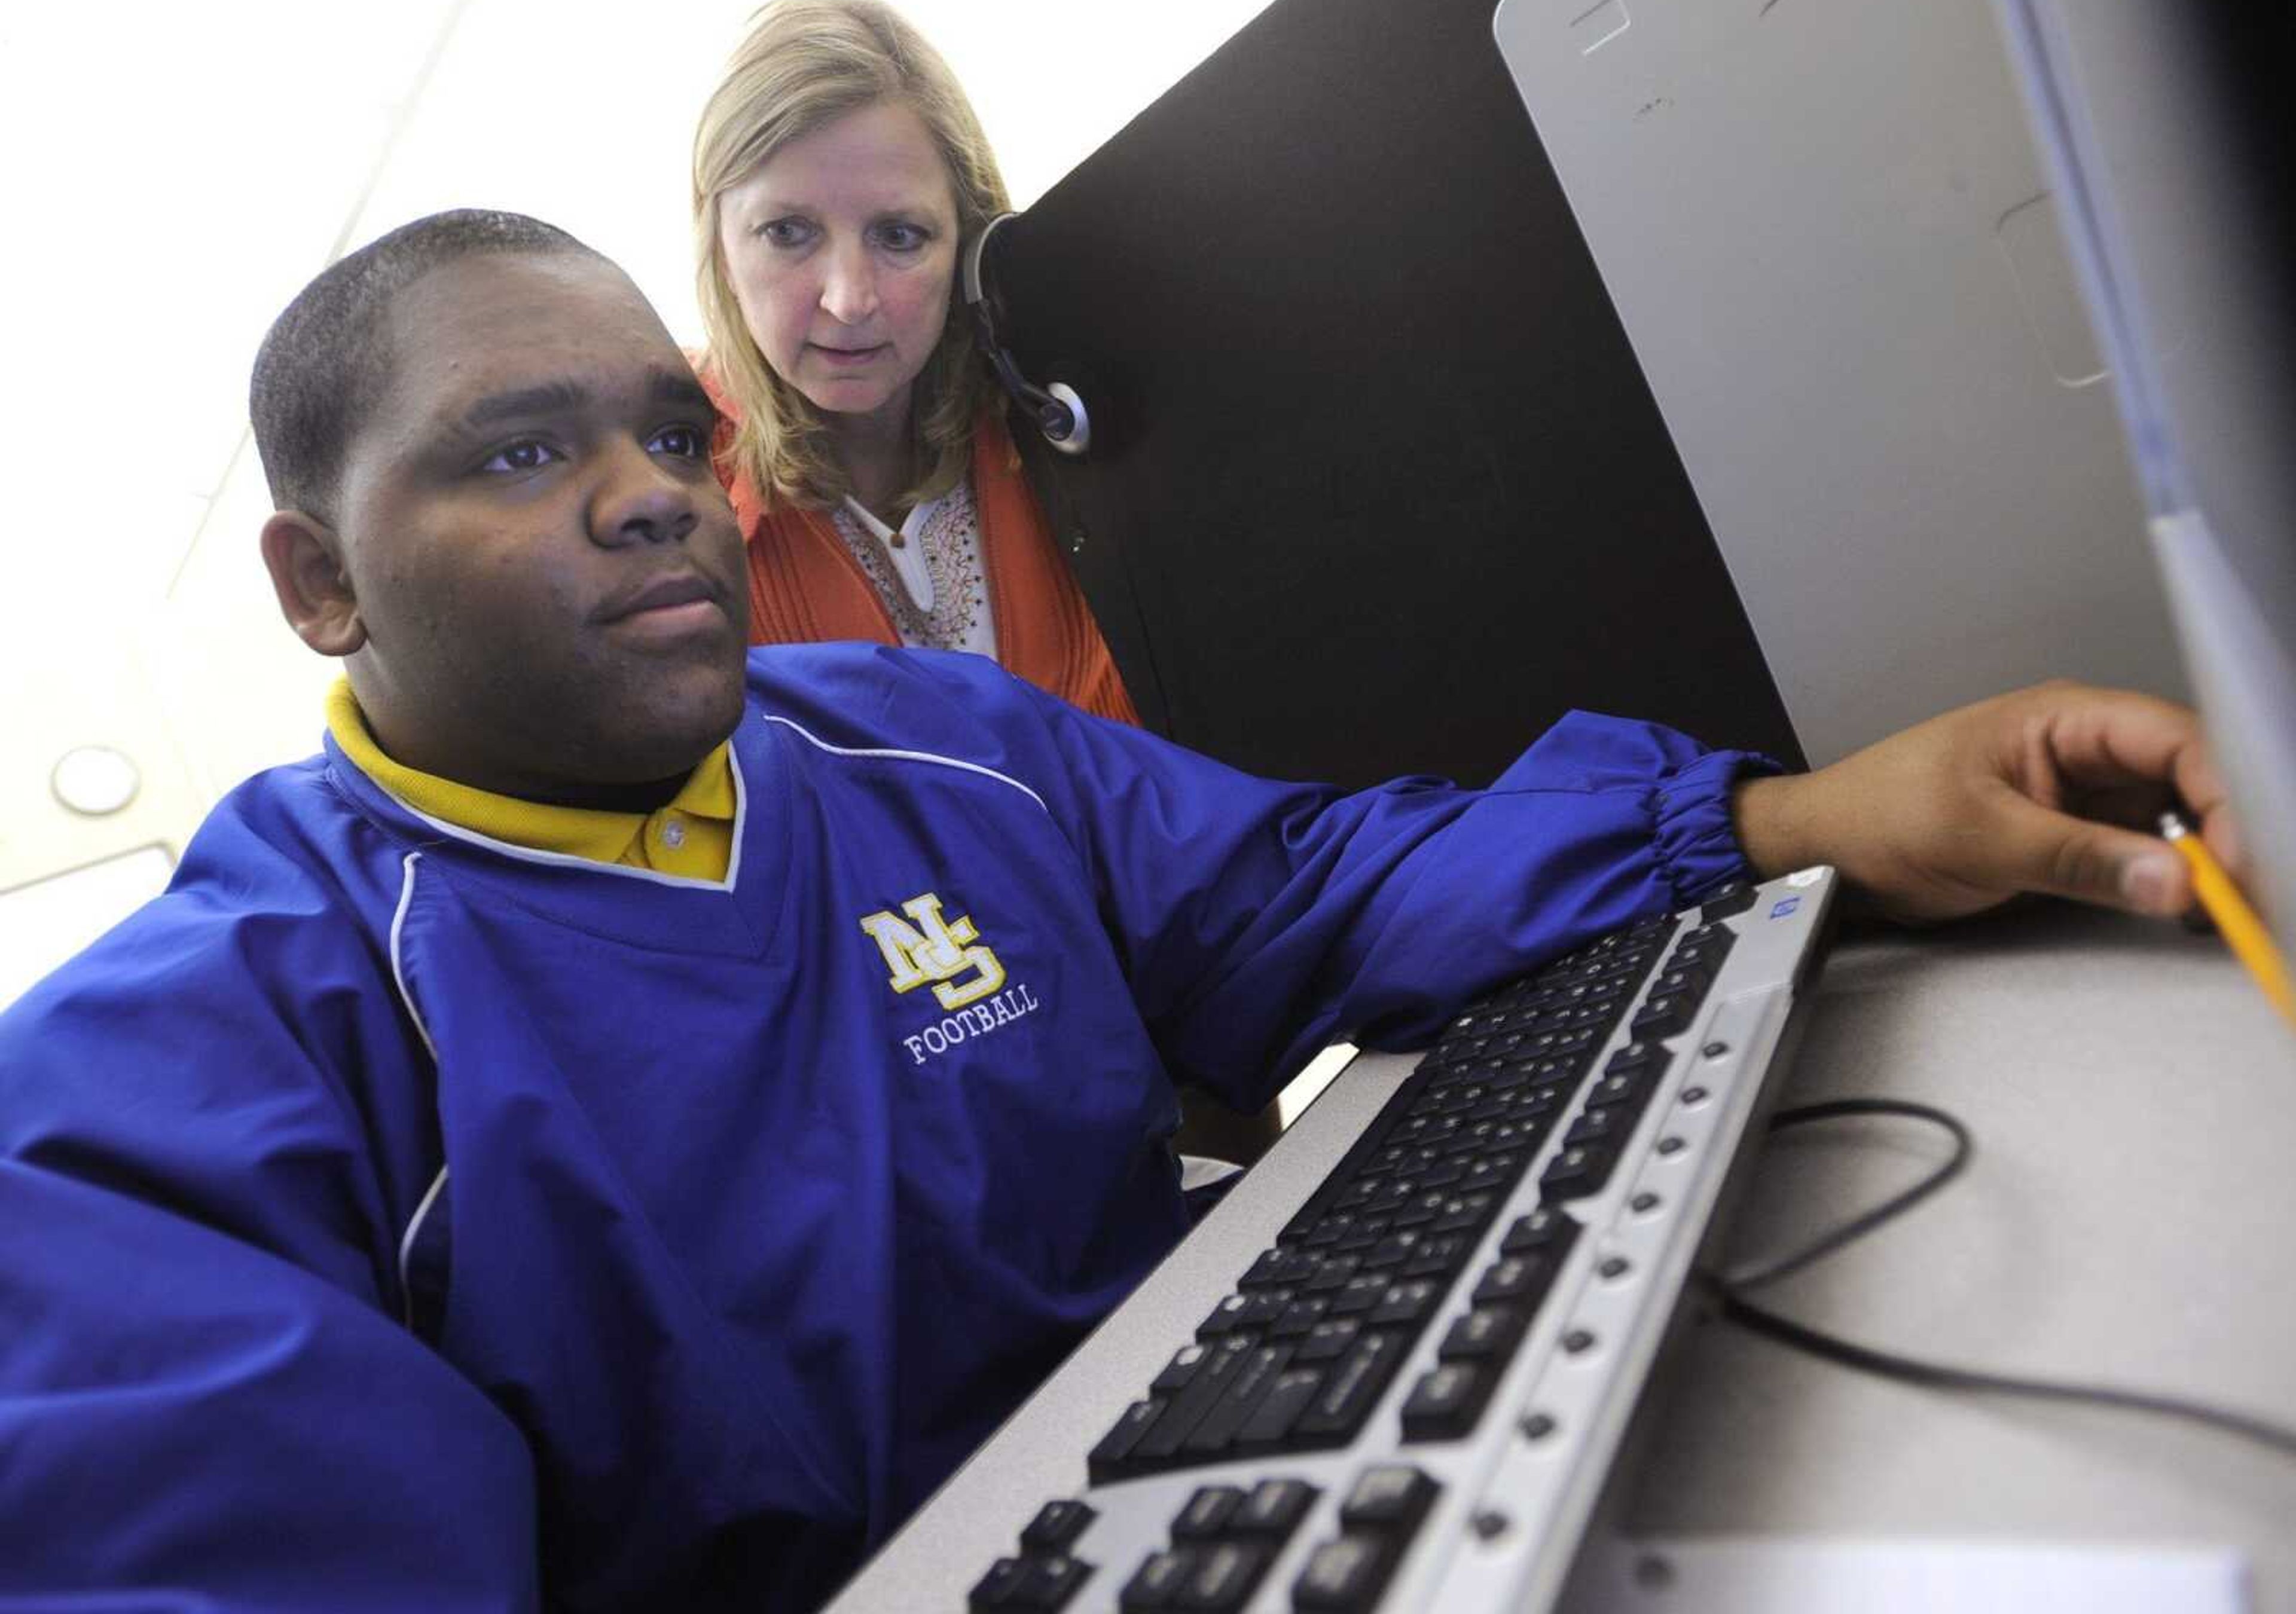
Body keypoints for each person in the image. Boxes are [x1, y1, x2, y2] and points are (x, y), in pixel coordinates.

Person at [0, 210, 2237, 1614]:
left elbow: (1309, 887)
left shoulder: (917, 737)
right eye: (513, 454)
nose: (648, 500)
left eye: (675, 438)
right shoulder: (167, 1086)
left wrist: (1807, 810)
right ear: (318, 582)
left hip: (1269, 1485)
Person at [691, 0, 1136, 723]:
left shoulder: (1086, 417)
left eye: (899, 236)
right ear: (718, 245)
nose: (848, 300)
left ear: (968, 239)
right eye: (788, 233)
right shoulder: (661, 489)